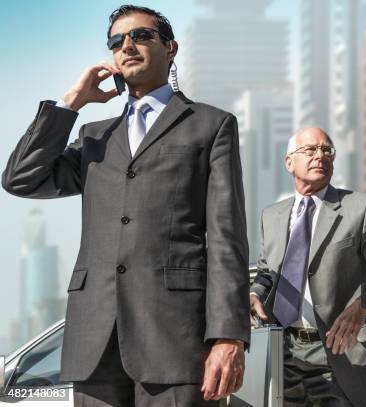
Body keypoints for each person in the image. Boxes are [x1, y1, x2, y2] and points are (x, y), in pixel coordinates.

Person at [2, 5, 249, 406]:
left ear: (171, 48)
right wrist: (71, 103)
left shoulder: (210, 125)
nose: (127, 46)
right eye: (116, 42)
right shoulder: (95, 137)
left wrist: (228, 336)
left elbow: (227, 237)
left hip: (176, 340)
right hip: (93, 342)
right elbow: (20, 179)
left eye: (141, 36)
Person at [249, 127, 366, 406]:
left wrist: (362, 307)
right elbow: (266, 272)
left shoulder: (362, 207)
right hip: (285, 356)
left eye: (326, 150)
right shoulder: (271, 216)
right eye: (310, 150)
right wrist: (255, 294)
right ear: (289, 162)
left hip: (346, 354)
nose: (319, 156)